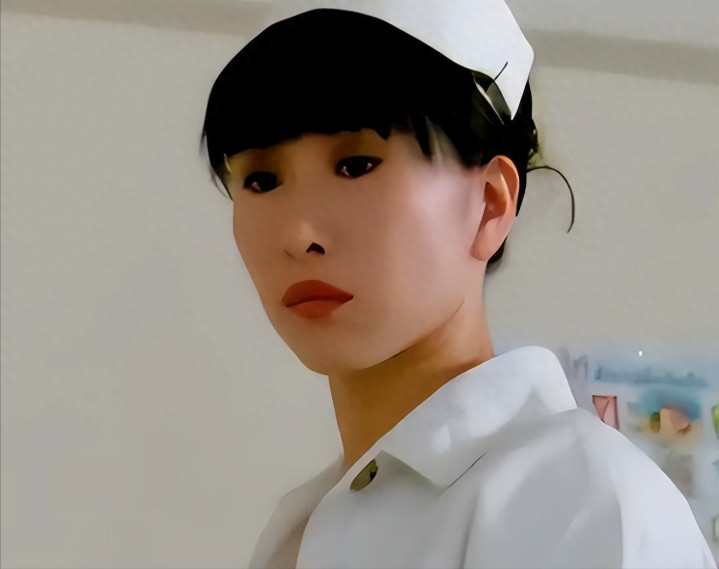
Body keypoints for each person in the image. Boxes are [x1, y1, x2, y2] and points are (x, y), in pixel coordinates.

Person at [200, 1, 715, 567]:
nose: (300, 236)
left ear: (490, 203)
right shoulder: (298, 528)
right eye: (261, 180)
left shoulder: (579, 502)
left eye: (357, 165)